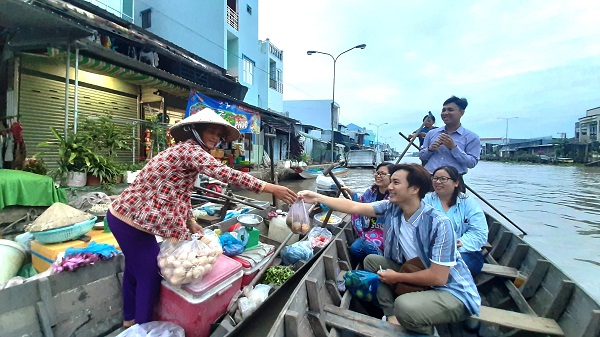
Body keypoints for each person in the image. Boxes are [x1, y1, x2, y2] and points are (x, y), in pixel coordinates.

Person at [107, 108, 297, 327]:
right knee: (149, 276)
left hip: (129, 219)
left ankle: (129, 321)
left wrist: (191, 221)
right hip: (129, 221)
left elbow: (181, 192)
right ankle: (142, 328)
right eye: (211, 131)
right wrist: (269, 187)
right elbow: (225, 174)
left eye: (219, 134)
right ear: (196, 131)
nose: (215, 138)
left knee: (135, 270)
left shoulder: (185, 152)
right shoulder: (190, 151)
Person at [298, 164, 480, 335]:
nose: (390, 187)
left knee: (404, 306)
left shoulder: (439, 223)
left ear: (415, 189)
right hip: (415, 271)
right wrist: (317, 197)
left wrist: (397, 277)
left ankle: (424, 331)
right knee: (371, 261)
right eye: (390, 181)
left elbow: (438, 277)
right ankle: (391, 314)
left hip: (450, 289)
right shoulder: (392, 208)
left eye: (396, 182)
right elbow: (355, 206)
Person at [424, 165, 488, 276]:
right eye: (435, 178)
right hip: (432, 251)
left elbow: (479, 233)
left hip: (464, 252)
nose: (438, 182)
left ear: (456, 183)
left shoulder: (468, 202)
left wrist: (460, 243)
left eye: (443, 179)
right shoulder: (425, 200)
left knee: (457, 266)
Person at [342, 162, 393, 265]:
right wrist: (349, 191)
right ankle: (365, 264)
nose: (378, 176)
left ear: (392, 177)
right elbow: (361, 202)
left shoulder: (394, 196)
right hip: (370, 230)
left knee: (367, 246)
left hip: (386, 233)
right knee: (354, 249)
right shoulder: (371, 191)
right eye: (377, 173)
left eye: (382, 174)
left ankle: (381, 261)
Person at [419, 96, 481, 175]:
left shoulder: (471, 137)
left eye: (450, 110)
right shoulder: (431, 134)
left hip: (454, 180)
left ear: (461, 113)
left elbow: (471, 163)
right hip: (430, 177)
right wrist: (430, 149)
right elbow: (422, 156)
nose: (445, 113)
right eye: (443, 110)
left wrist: (453, 148)